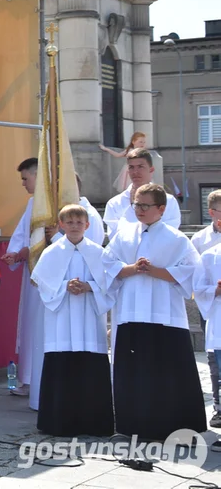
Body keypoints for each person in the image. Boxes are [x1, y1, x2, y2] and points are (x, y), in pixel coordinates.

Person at [107, 183, 205, 440]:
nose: (138, 209)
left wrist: (154, 271)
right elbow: (107, 264)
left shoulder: (175, 238)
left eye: (144, 205)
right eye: (136, 204)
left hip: (164, 315)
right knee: (134, 371)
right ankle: (131, 425)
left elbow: (189, 271)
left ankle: (173, 427)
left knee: (166, 372)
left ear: (161, 209)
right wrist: (132, 268)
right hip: (131, 312)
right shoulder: (124, 234)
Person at [33, 204, 121, 437]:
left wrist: (89, 286)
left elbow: (110, 286)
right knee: (62, 365)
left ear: (87, 225)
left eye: (79, 223)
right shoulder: (51, 252)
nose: (74, 227)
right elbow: (42, 283)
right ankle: (58, 422)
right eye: (69, 222)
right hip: (61, 320)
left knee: (90, 366)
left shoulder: (98, 252)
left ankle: (94, 422)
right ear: (61, 225)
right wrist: (65, 286)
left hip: (89, 320)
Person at [2, 158, 43, 402]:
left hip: (48, 274)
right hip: (32, 273)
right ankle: (28, 378)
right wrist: (14, 255)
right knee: (29, 324)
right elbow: (22, 234)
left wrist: (20, 254)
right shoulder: (32, 203)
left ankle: (37, 377)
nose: (23, 184)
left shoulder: (52, 203)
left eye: (25, 179)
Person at [192, 189, 221, 430]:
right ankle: (219, 407)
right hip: (213, 310)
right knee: (215, 358)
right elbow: (196, 279)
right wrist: (214, 291)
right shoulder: (201, 241)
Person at [103, 148, 180, 237]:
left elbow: (170, 234)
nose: (135, 172)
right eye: (131, 167)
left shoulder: (168, 201)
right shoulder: (115, 204)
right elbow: (114, 238)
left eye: (140, 166)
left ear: (151, 170)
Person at [100, 132, 164, 193]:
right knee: (130, 186)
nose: (142, 144)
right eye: (140, 142)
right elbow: (118, 155)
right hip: (128, 172)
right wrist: (107, 149)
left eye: (144, 142)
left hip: (141, 171)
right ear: (133, 142)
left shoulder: (144, 152)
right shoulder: (130, 150)